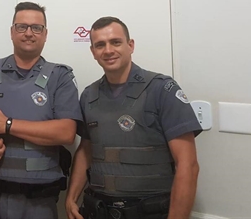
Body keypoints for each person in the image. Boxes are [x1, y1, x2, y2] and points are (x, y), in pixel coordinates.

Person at [65, 16, 202, 219]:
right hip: (99, 210)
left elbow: (188, 165)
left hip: (151, 211)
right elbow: (86, 150)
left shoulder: (161, 89)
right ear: (93, 52)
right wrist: (71, 197)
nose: (108, 50)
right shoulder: (89, 95)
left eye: (115, 42)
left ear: (130, 45)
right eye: (100, 45)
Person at [0, 2, 83, 219]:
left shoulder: (60, 76)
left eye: (36, 28)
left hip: (39, 203)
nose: (29, 33)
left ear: (45, 34)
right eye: (22, 27)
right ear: (12, 31)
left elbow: (66, 133)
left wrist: (7, 124)